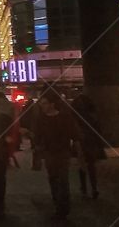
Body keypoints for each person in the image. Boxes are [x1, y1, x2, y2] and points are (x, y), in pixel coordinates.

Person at [33, 91, 81, 220]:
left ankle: (63, 208)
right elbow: (38, 138)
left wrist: (79, 154)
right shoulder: (41, 119)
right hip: (49, 153)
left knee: (63, 180)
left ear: (52, 104)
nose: (42, 106)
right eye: (41, 104)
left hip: (62, 153)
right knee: (53, 179)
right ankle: (58, 204)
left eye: (44, 103)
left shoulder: (64, 118)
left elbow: (75, 135)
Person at [71, 93, 104, 199]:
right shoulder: (93, 115)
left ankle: (84, 188)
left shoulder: (75, 117)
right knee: (91, 165)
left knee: (82, 165)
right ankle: (94, 188)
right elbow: (98, 129)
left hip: (80, 141)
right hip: (91, 141)